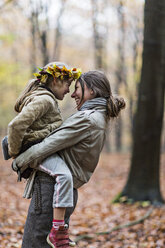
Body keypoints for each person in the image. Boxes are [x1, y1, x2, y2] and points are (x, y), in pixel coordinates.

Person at [12, 70, 126, 248]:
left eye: (78, 88)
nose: (73, 94)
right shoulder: (99, 117)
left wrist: (19, 161)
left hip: (51, 188)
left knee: (35, 243)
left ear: (91, 91)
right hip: (64, 192)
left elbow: (49, 144)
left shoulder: (88, 119)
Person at [5, 61, 81, 247]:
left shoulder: (46, 98)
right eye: (66, 85)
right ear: (55, 81)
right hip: (37, 150)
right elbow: (15, 125)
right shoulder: (45, 100)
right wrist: (15, 152)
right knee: (64, 176)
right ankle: (58, 228)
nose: (68, 91)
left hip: (41, 148)